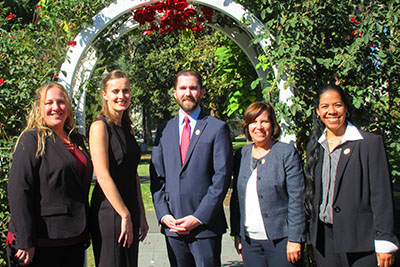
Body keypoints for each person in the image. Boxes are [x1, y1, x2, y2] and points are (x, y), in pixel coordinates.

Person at [304, 84, 399, 267]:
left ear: (346, 108)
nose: (331, 111)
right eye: (325, 106)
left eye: (337, 105)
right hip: (325, 242)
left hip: (361, 242)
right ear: (317, 111)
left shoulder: (369, 144)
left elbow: (382, 195)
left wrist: (385, 240)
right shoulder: (316, 146)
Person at [150, 70, 233, 267]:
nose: (188, 92)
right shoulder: (164, 131)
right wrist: (164, 215)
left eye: (193, 88)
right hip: (173, 227)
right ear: (175, 93)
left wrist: (198, 217)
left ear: (201, 92)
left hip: (205, 228)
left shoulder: (217, 128)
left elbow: (221, 179)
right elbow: (157, 177)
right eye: (183, 88)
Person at [6, 82, 93, 267]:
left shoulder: (77, 140)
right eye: (49, 103)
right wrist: (25, 240)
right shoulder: (32, 140)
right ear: (40, 108)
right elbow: (18, 190)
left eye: (61, 102)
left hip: (73, 239)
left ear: (68, 107)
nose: (56, 108)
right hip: (43, 241)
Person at [230, 102, 306, 266]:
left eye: (264, 121)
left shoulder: (285, 153)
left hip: (282, 241)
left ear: (273, 125)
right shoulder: (241, 155)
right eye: (253, 122)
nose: (259, 127)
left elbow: (297, 198)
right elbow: (237, 198)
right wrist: (237, 233)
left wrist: (295, 238)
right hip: (250, 243)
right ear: (247, 126)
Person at [89, 70, 148, 267]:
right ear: (104, 95)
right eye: (115, 91)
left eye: (126, 90)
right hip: (110, 210)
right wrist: (124, 214)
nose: (121, 96)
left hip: (129, 208)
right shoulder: (100, 127)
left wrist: (140, 213)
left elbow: (133, 174)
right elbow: (103, 176)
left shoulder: (126, 128)